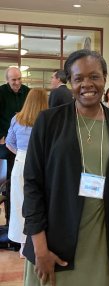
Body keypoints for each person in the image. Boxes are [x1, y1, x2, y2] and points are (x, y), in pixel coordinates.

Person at [22, 49, 109, 286]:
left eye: (94, 76)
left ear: (105, 78)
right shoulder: (49, 121)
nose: (87, 84)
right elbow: (32, 184)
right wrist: (40, 247)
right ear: (69, 82)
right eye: (78, 78)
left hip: (101, 240)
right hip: (53, 241)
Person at [5, 88, 48, 258]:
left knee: (18, 204)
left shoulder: (16, 118)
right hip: (41, 164)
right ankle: (36, 243)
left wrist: (21, 153)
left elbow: (9, 143)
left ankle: (22, 245)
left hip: (20, 162)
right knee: (38, 203)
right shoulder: (46, 120)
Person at [0, 67, 30, 223]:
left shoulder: (27, 91)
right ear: (7, 80)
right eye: (13, 80)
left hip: (24, 145)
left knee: (21, 183)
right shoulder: (1, 92)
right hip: (6, 144)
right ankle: (9, 219)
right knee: (8, 182)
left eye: (19, 79)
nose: (17, 82)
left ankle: (22, 219)